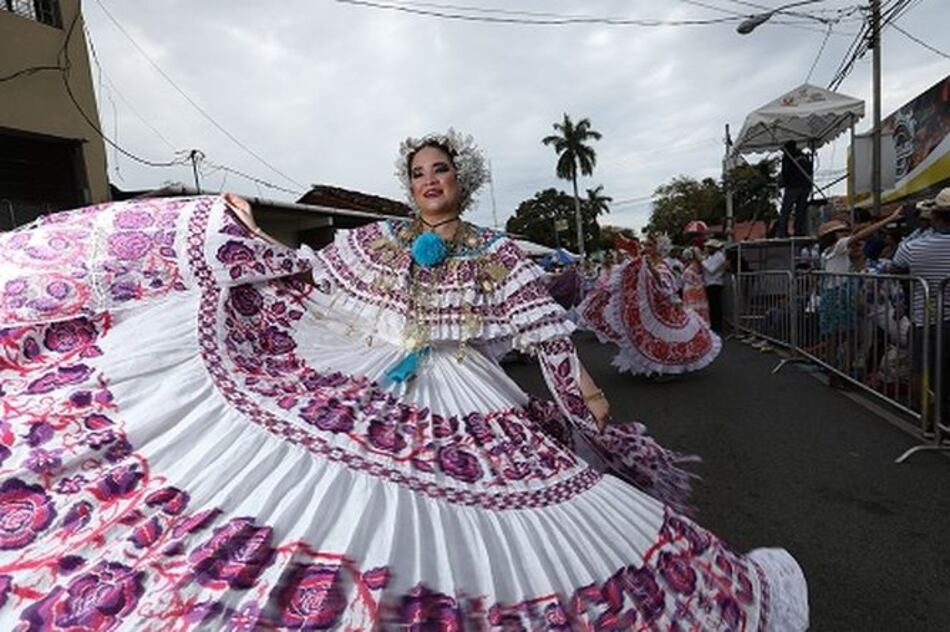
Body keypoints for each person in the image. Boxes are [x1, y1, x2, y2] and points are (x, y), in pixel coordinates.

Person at [0, 130, 807, 629]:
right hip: (368, 378)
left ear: (462, 179)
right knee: (341, 514)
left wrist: (595, 415)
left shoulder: (496, 253)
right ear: (407, 182)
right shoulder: (372, 241)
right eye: (418, 170)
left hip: (464, 401)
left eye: (442, 169)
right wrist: (226, 231)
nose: (429, 180)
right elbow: (306, 276)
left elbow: (548, 339)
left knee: (468, 549)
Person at [579, 235, 722, 377]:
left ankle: (667, 369)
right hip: (654, 306)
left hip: (665, 308)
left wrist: (651, 271)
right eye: (645, 245)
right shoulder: (646, 262)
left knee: (667, 339)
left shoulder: (663, 264)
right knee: (648, 337)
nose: (646, 248)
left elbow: (667, 286)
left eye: (649, 245)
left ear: (658, 248)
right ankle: (654, 368)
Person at [889, 187, 950, 429]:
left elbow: (896, 268)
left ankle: (927, 418)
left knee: (921, 369)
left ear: (934, 216)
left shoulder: (912, 246)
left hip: (926, 318)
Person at [776, 141, 813, 238]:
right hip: (805, 186)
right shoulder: (804, 156)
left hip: (793, 186)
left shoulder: (788, 156)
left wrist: (783, 183)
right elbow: (810, 170)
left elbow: (786, 173)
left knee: (786, 210)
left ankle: (783, 233)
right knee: (800, 210)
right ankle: (799, 231)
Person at [702, 238, 727, 333]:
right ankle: (714, 325)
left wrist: (702, 261)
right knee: (712, 306)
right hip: (710, 283)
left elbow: (711, 269)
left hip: (715, 283)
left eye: (708, 247)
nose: (707, 249)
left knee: (716, 306)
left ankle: (717, 326)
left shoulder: (719, 257)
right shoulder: (711, 257)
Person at [682, 247, 711, 324]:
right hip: (695, 291)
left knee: (694, 310)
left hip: (694, 292)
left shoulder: (692, 268)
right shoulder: (696, 266)